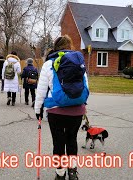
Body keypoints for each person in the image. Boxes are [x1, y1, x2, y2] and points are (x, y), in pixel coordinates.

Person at [34, 35, 89, 180]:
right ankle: (72, 171)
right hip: (77, 109)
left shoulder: (48, 64)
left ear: (56, 46)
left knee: (58, 142)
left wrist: (37, 109)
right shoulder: (79, 61)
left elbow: (41, 90)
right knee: (72, 140)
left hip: (55, 110)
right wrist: (84, 104)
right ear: (70, 46)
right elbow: (85, 86)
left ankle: (60, 173)